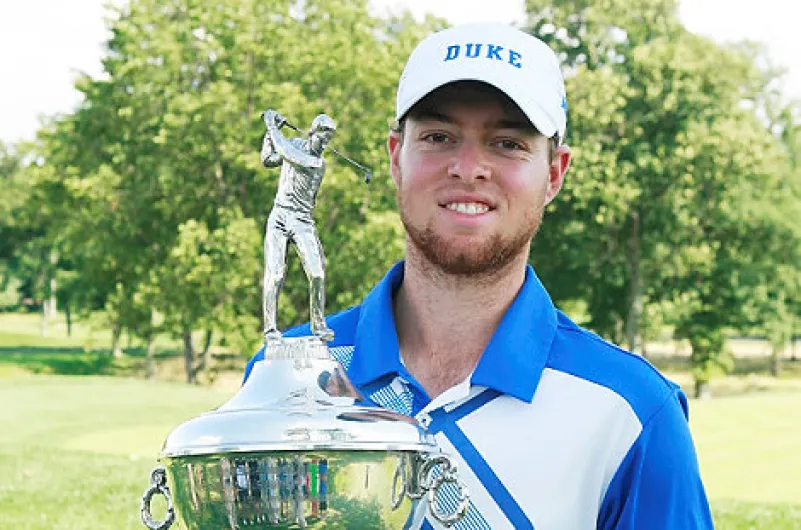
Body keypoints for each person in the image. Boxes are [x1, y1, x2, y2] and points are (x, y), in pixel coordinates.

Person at [246, 23, 713, 529]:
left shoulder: (632, 410)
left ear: (554, 173)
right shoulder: (287, 373)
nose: (469, 168)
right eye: (439, 137)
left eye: (508, 143)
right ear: (397, 157)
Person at [260, 110, 336, 342]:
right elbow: (269, 159)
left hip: (302, 220)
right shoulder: (294, 143)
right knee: (274, 274)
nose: (323, 144)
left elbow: (285, 152)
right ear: (312, 132)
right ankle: (270, 328)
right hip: (280, 216)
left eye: (327, 141)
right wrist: (268, 135)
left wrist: (272, 126)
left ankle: (319, 325)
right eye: (321, 138)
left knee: (317, 273)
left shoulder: (316, 163)